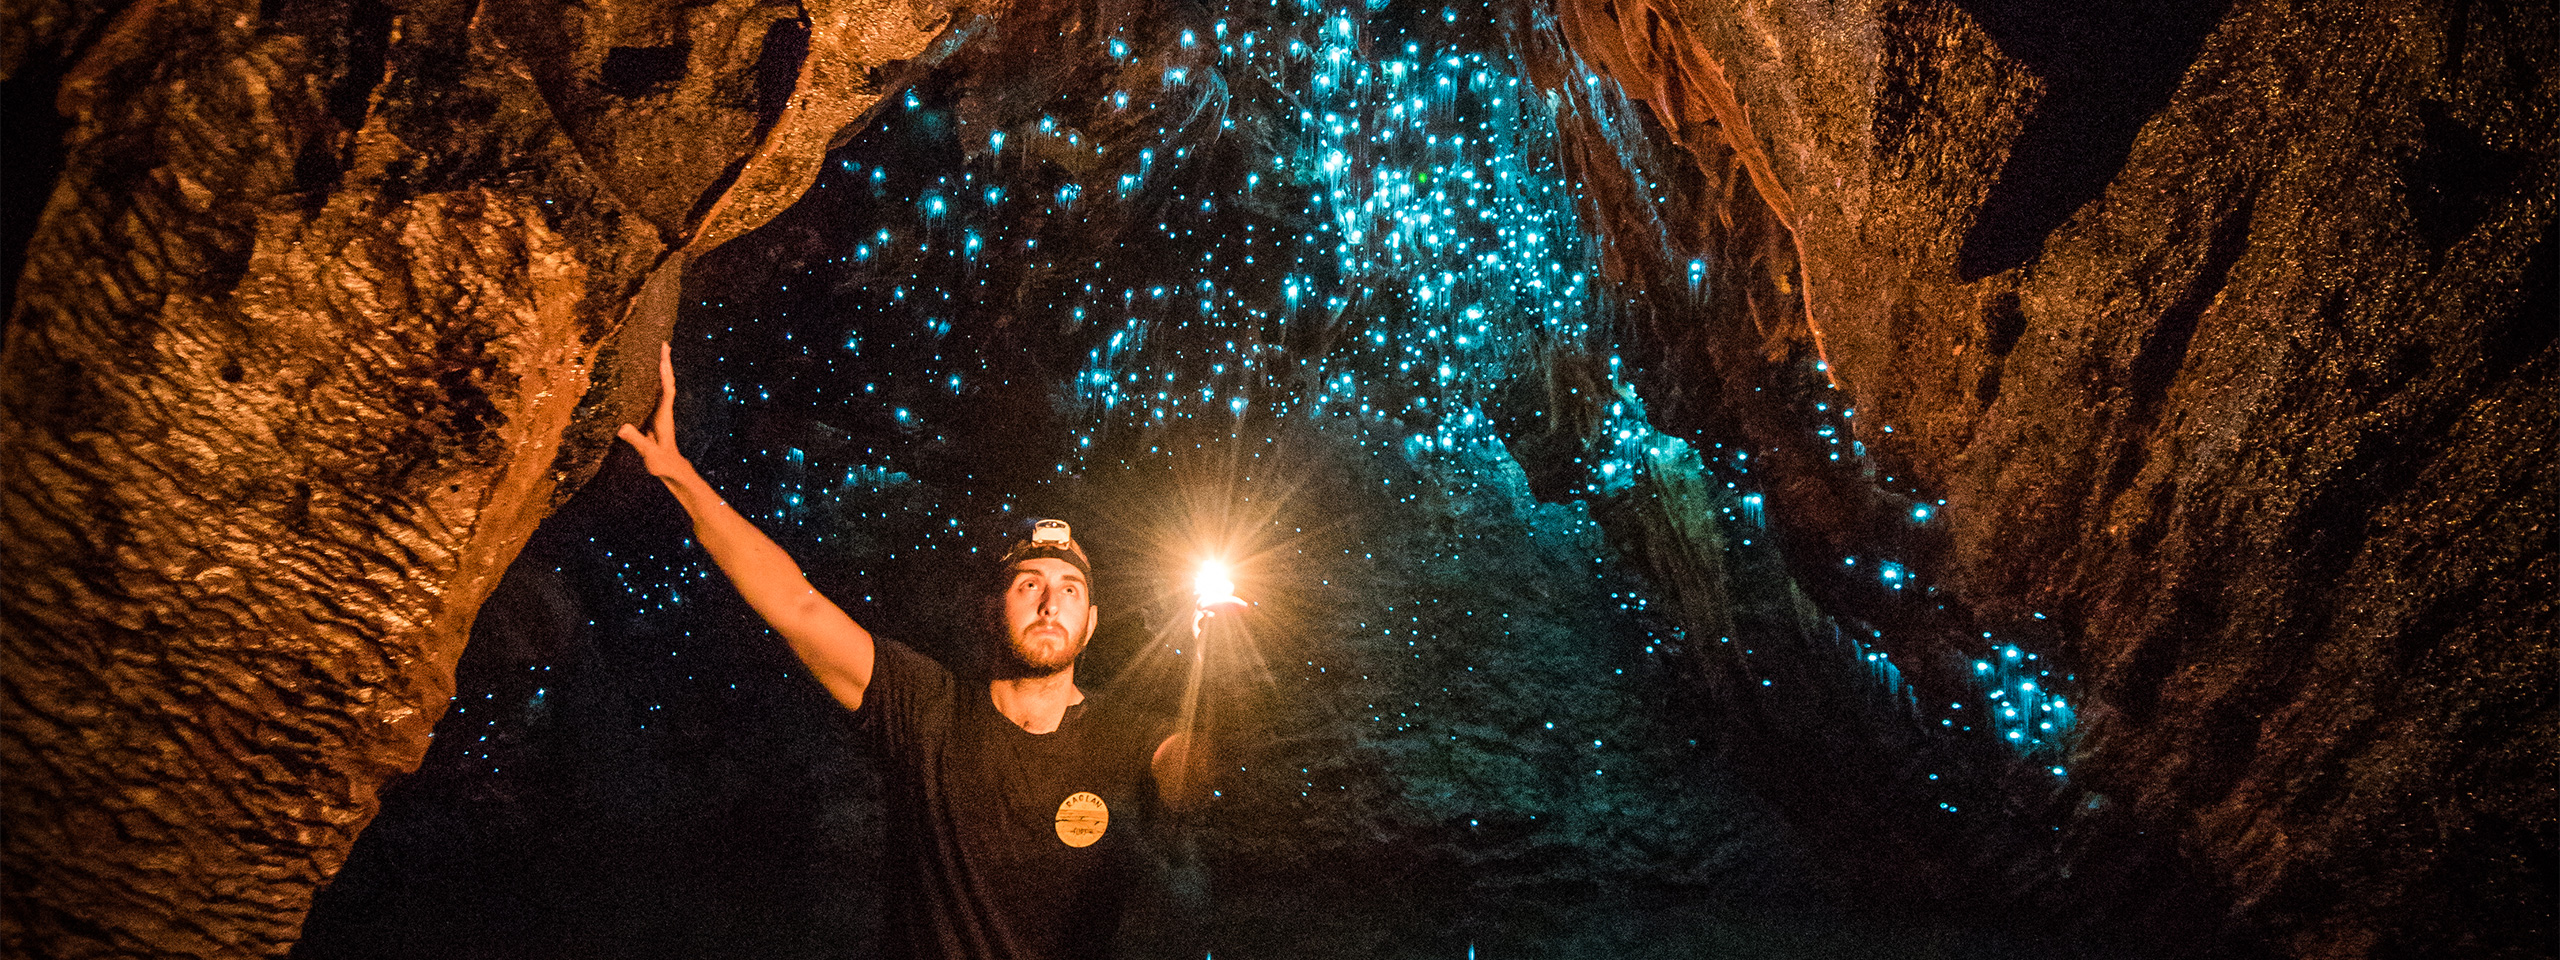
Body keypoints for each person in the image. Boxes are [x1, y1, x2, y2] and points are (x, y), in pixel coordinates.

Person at [616, 342, 1214, 960]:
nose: (1047, 603)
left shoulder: (1129, 739)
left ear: (1089, 624)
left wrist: (1223, 665)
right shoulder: (926, 708)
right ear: (992, 610)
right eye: (1028, 584)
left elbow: (1196, 774)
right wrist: (680, 476)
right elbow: (798, 606)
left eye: (1068, 590)